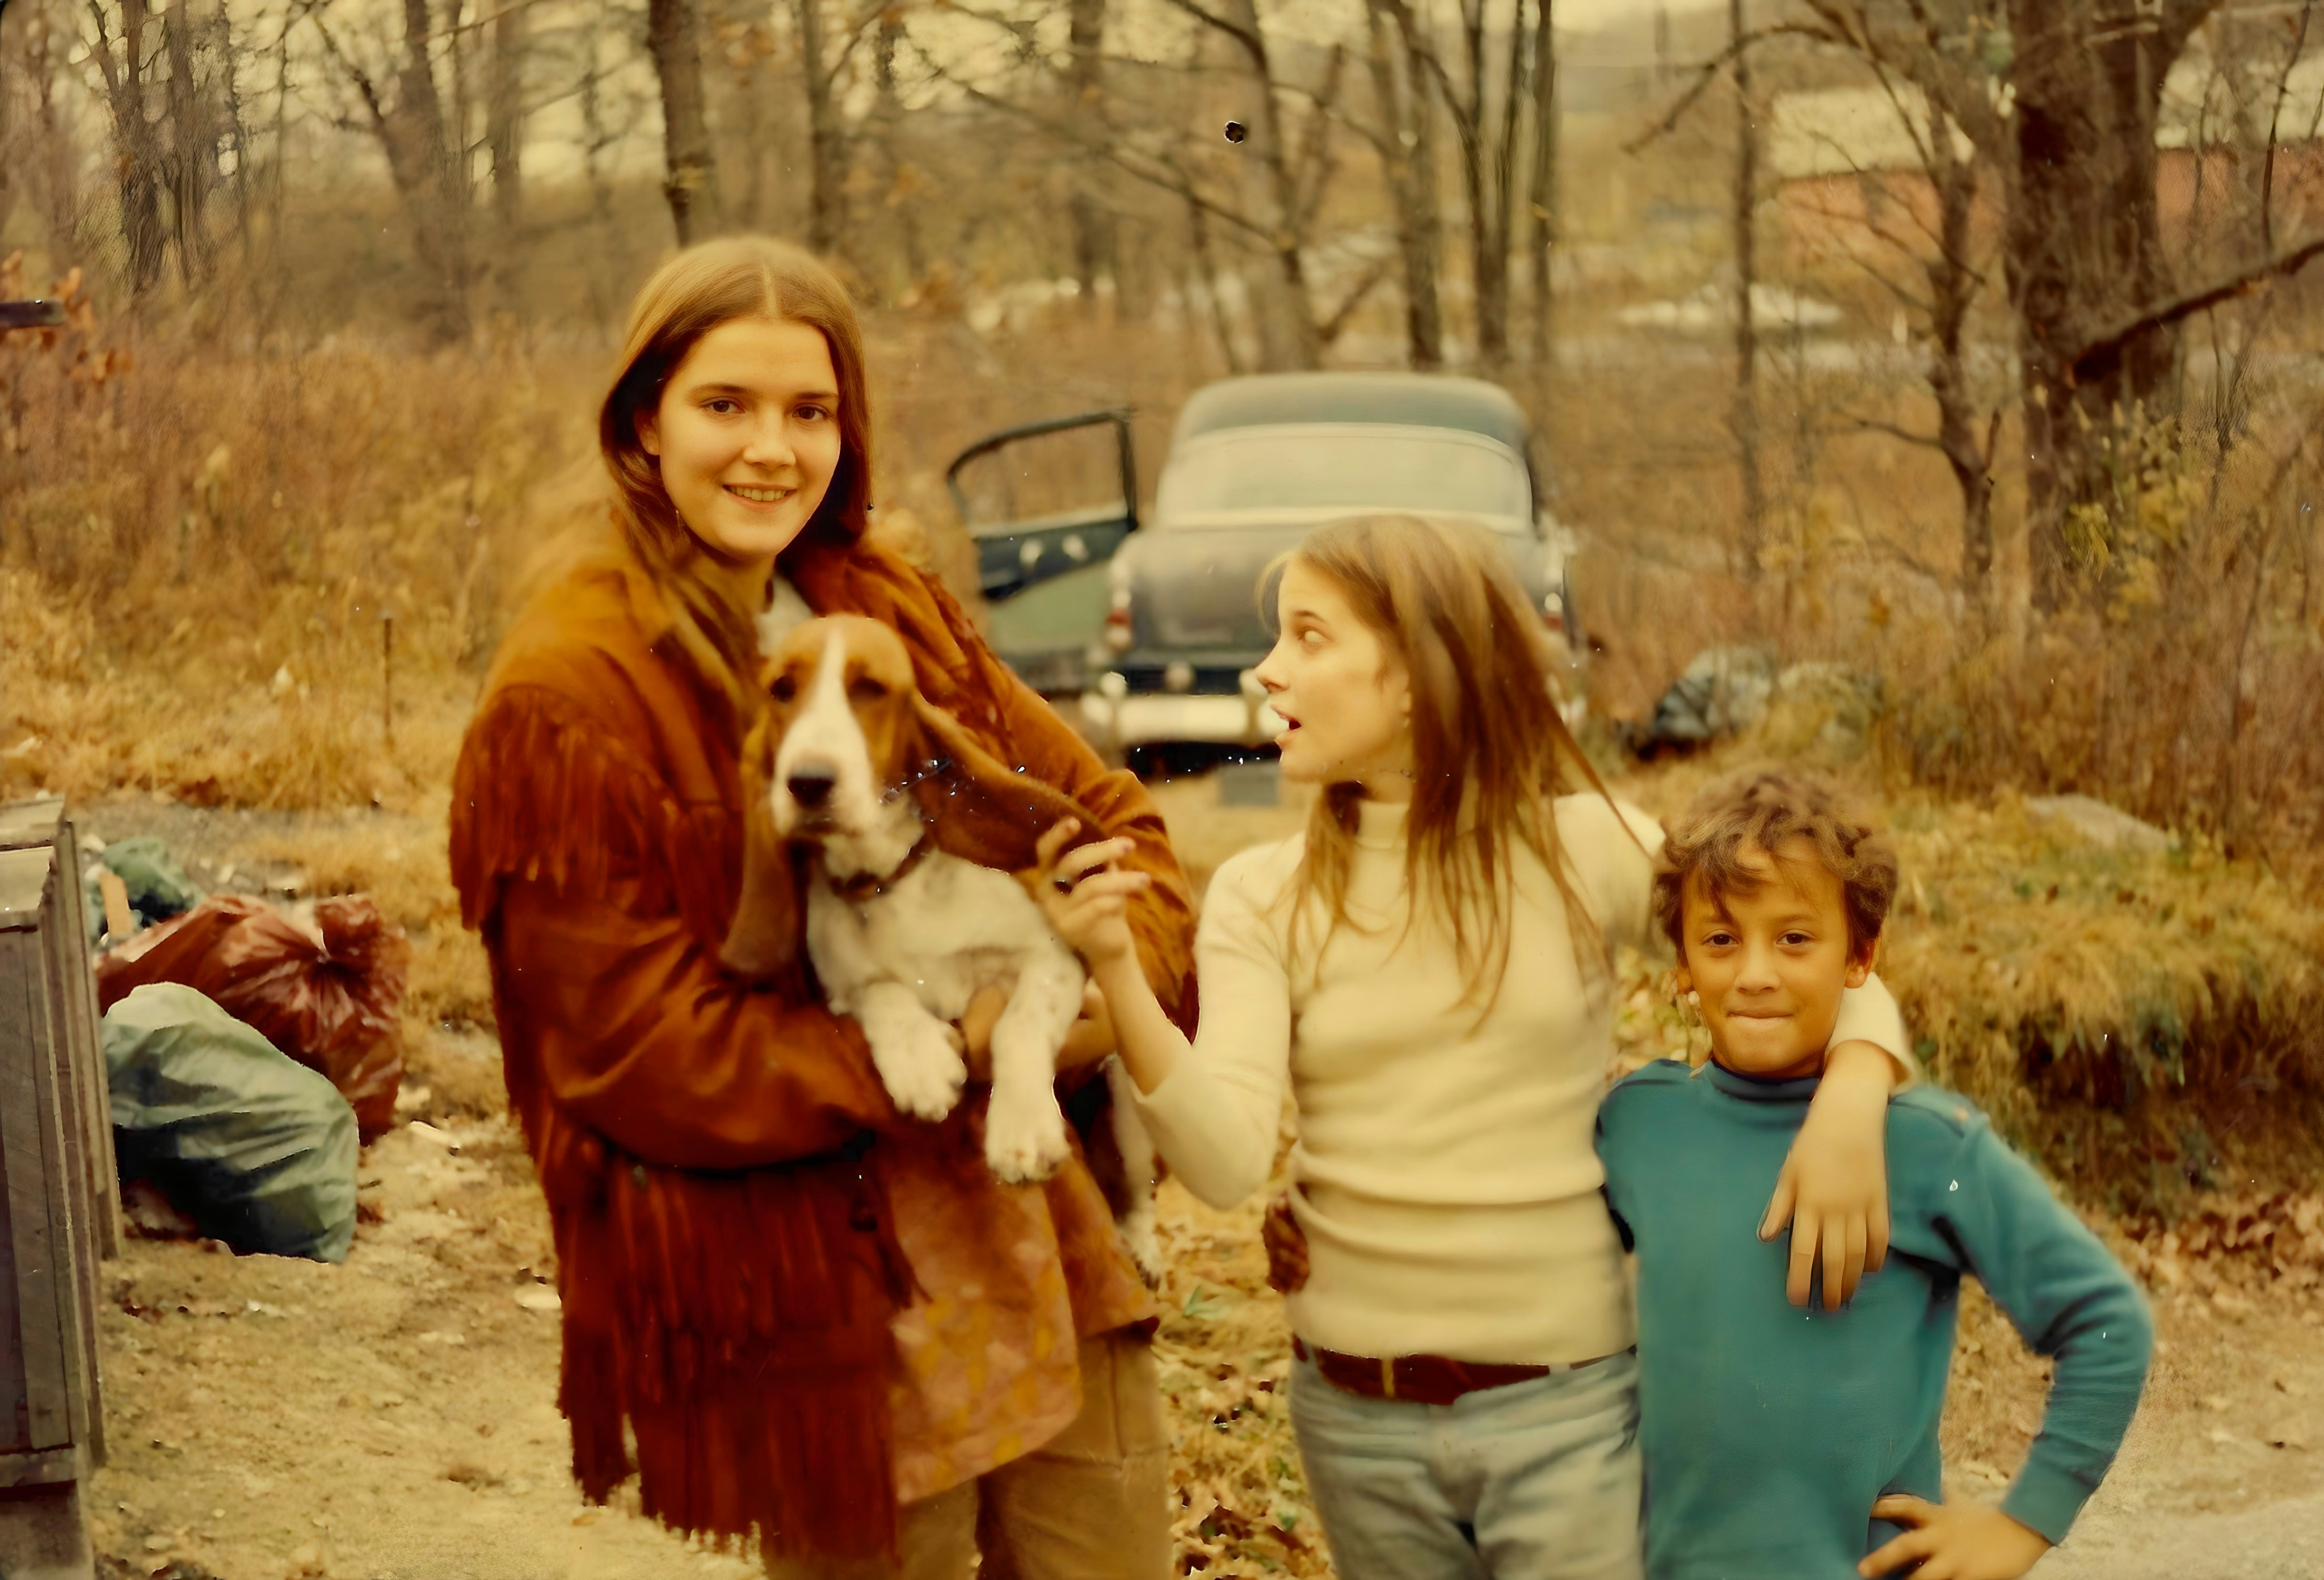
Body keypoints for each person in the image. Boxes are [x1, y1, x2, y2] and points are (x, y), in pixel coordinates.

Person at [447, 237, 1196, 1578]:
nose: (769, 452)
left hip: (1039, 1237)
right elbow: (633, 1055)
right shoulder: (571, 692)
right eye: (723, 405)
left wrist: (1096, 1005)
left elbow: (1112, 824)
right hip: (820, 1291)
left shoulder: (880, 604)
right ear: (642, 419)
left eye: (810, 411)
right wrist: (928, 1050)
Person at [1033, 512, 1916, 1579]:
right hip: (1356, 1418)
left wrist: (1853, 1101)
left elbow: (1828, 966)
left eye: (1309, 637)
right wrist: (1118, 974)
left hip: (1569, 1411)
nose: (1268, 669)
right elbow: (1221, 1163)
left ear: (1413, 674)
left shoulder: (1583, 848)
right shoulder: (1263, 898)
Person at [1594, 769, 2153, 1580]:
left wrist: (2021, 1525)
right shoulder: (1638, 1125)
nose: (1754, 972)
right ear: (1681, 963)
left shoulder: (1927, 1147)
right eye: (1720, 940)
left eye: (1794, 939)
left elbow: (2109, 1324)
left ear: (1860, 955)